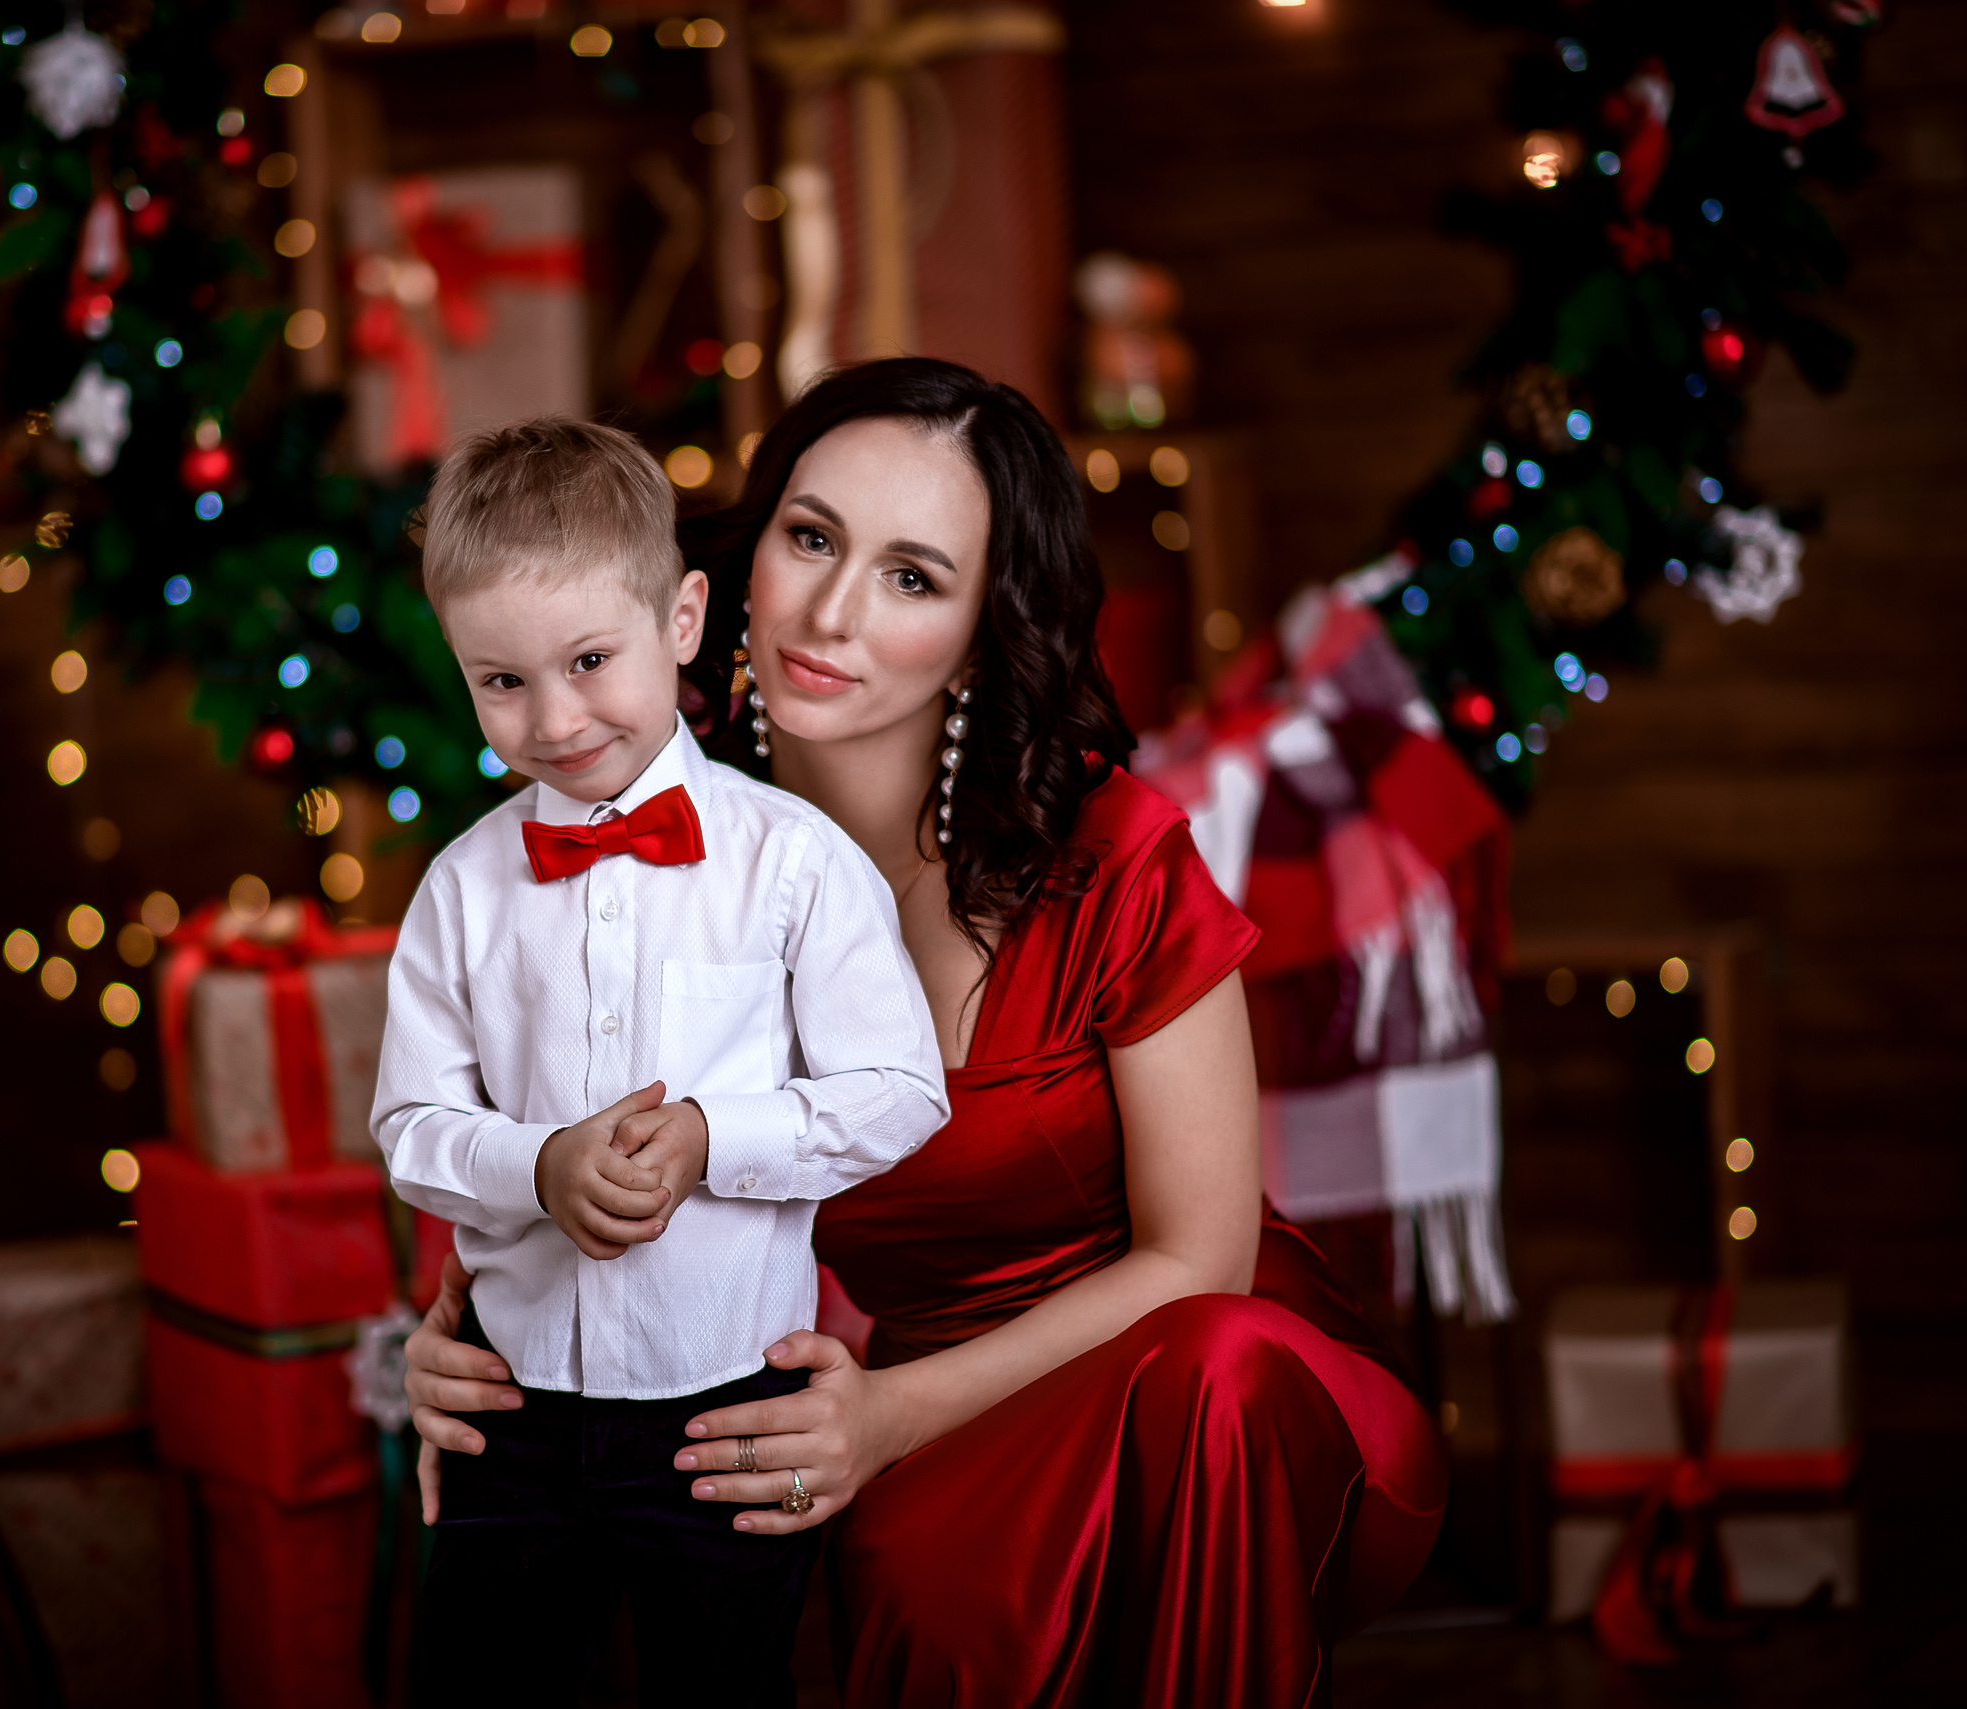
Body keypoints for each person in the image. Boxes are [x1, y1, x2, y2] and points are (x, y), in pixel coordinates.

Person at [403, 362, 1447, 1706]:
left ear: (979, 628)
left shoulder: (1111, 854)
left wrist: (887, 1415)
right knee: (864, 1584)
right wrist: (463, 1341)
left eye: (913, 577)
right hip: (908, 1408)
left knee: (1215, 1373)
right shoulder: (629, 837)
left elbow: (1206, 1258)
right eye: (814, 536)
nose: (833, 612)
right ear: (744, 554)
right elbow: (559, 1165)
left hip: (1186, 1371)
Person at [371, 416, 952, 1708]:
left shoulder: (791, 865)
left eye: (589, 659)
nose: (556, 717)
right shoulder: (461, 891)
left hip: (726, 1413)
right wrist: (537, 1164)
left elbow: (902, 1090)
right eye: (502, 681)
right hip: (507, 1420)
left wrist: (710, 1138)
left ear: (683, 618)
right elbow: (411, 1122)